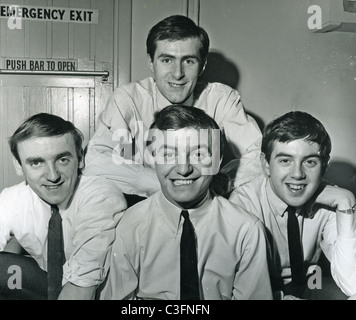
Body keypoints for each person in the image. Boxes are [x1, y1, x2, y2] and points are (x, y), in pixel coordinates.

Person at [84, 14, 263, 205]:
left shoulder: (220, 99)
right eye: (167, 60)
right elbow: (97, 161)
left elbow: (259, 154)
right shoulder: (128, 100)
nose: (178, 74)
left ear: (202, 65)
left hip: (205, 204)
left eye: (188, 61)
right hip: (142, 203)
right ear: (151, 62)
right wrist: (163, 184)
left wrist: (221, 182)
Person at [99, 105, 273, 300]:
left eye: (198, 154)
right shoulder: (131, 225)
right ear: (154, 160)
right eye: (168, 155)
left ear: (218, 160)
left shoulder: (246, 230)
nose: (183, 169)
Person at [0, 113, 127, 300]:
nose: (53, 175)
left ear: (80, 158)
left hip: (102, 292)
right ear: (18, 165)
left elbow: (81, 287)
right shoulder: (13, 198)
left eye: (62, 159)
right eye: (37, 162)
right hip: (52, 283)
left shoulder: (100, 195)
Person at [229, 111, 356, 300]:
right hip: (263, 291)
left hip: (312, 281)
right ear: (265, 164)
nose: (297, 174)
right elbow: (242, 289)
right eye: (285, 161)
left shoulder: (333, 198)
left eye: (310, 162)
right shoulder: (243, 203)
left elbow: (352, 281)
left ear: (324, 166)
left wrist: (347, 201)